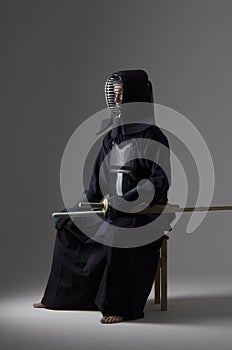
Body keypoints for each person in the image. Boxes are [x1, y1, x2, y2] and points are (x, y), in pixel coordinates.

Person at [33, 69, 173, 324]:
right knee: (68, 229)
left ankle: (118, 305)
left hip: (144, 214)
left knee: (119, 233)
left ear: (136, 97)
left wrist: (130, 198)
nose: (117, 102)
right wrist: (73, 209)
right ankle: (61, 297)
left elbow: (159, 181)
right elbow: (95, 188)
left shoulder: (153, 137)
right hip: (112, 209)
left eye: (122, 96)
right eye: (114, 96)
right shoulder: (111, 137)